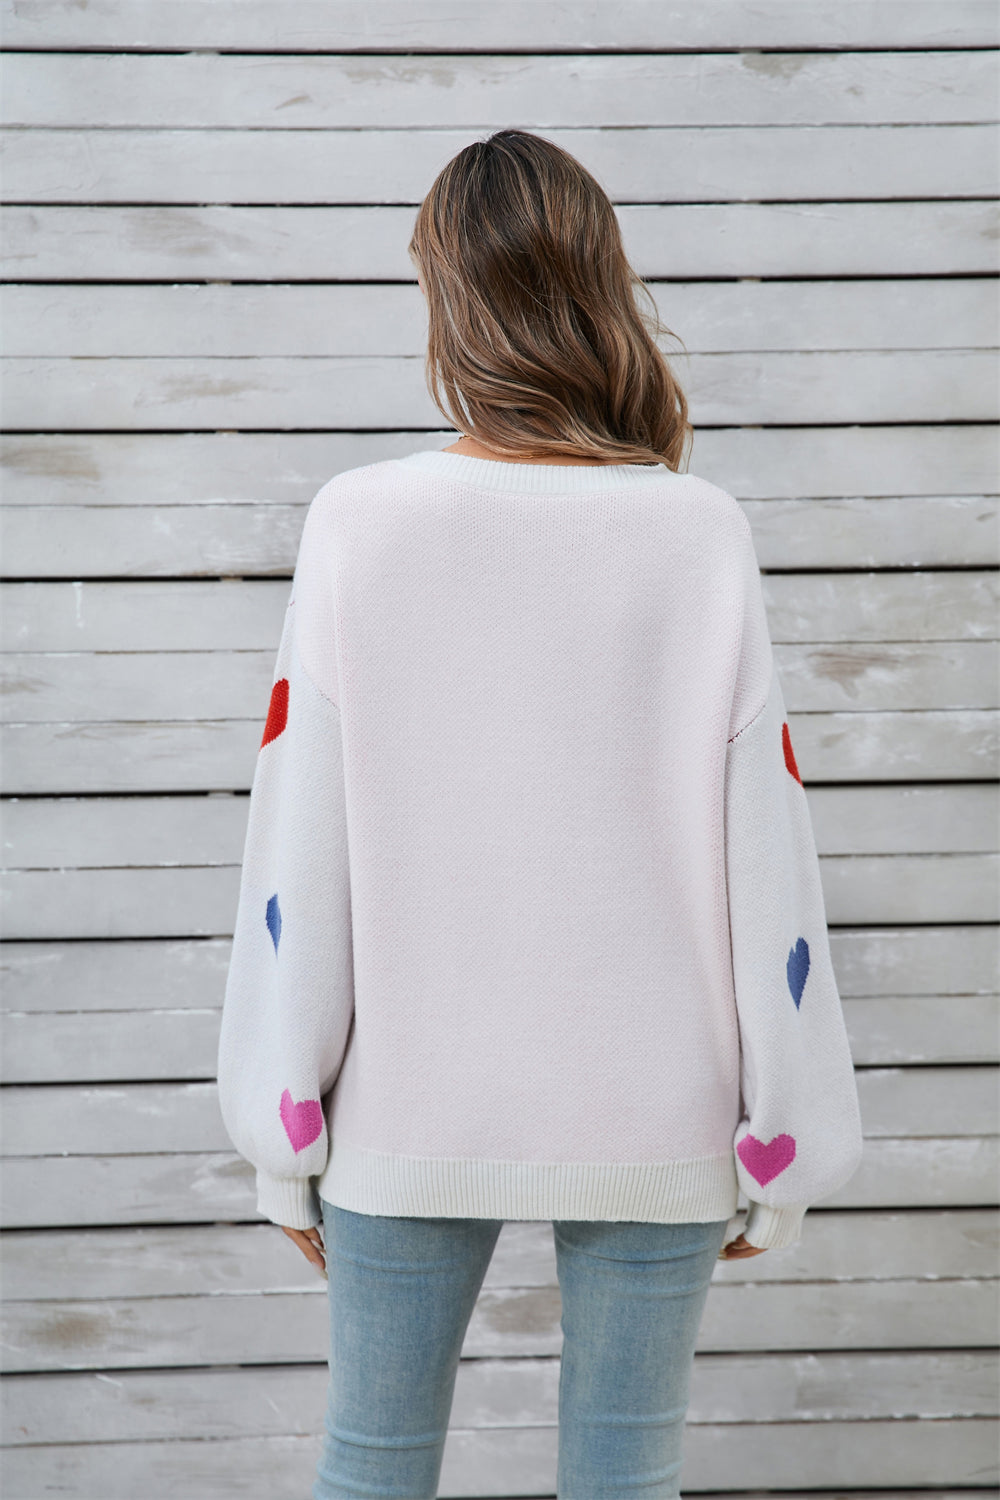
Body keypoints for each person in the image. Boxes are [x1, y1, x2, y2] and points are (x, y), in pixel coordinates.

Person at [216, 128, 864, 1500]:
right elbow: (767, 850)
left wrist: (286, 1132)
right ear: (599, 284)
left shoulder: (361, 522)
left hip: (406, 1096)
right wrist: (785, 1134)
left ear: (449, 295)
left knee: (372, 1461)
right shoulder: (696, 530)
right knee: (629, 1469)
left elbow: (299, 851)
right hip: (662, 1107)